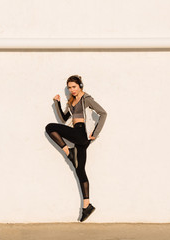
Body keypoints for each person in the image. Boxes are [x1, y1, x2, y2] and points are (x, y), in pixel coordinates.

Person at [45, 75, 107, 222]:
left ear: (80, 85)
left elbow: (103, 113)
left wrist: (95, 134)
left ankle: (69, 152)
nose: (72, 90)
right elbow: (63, 119)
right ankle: (87, 206)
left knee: (50, 127)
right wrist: (57, 103)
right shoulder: (72, 101)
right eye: (69, 88)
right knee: (80, 170)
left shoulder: (87, 99)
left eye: (74, 86)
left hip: (82, 134)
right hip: (77, 135)